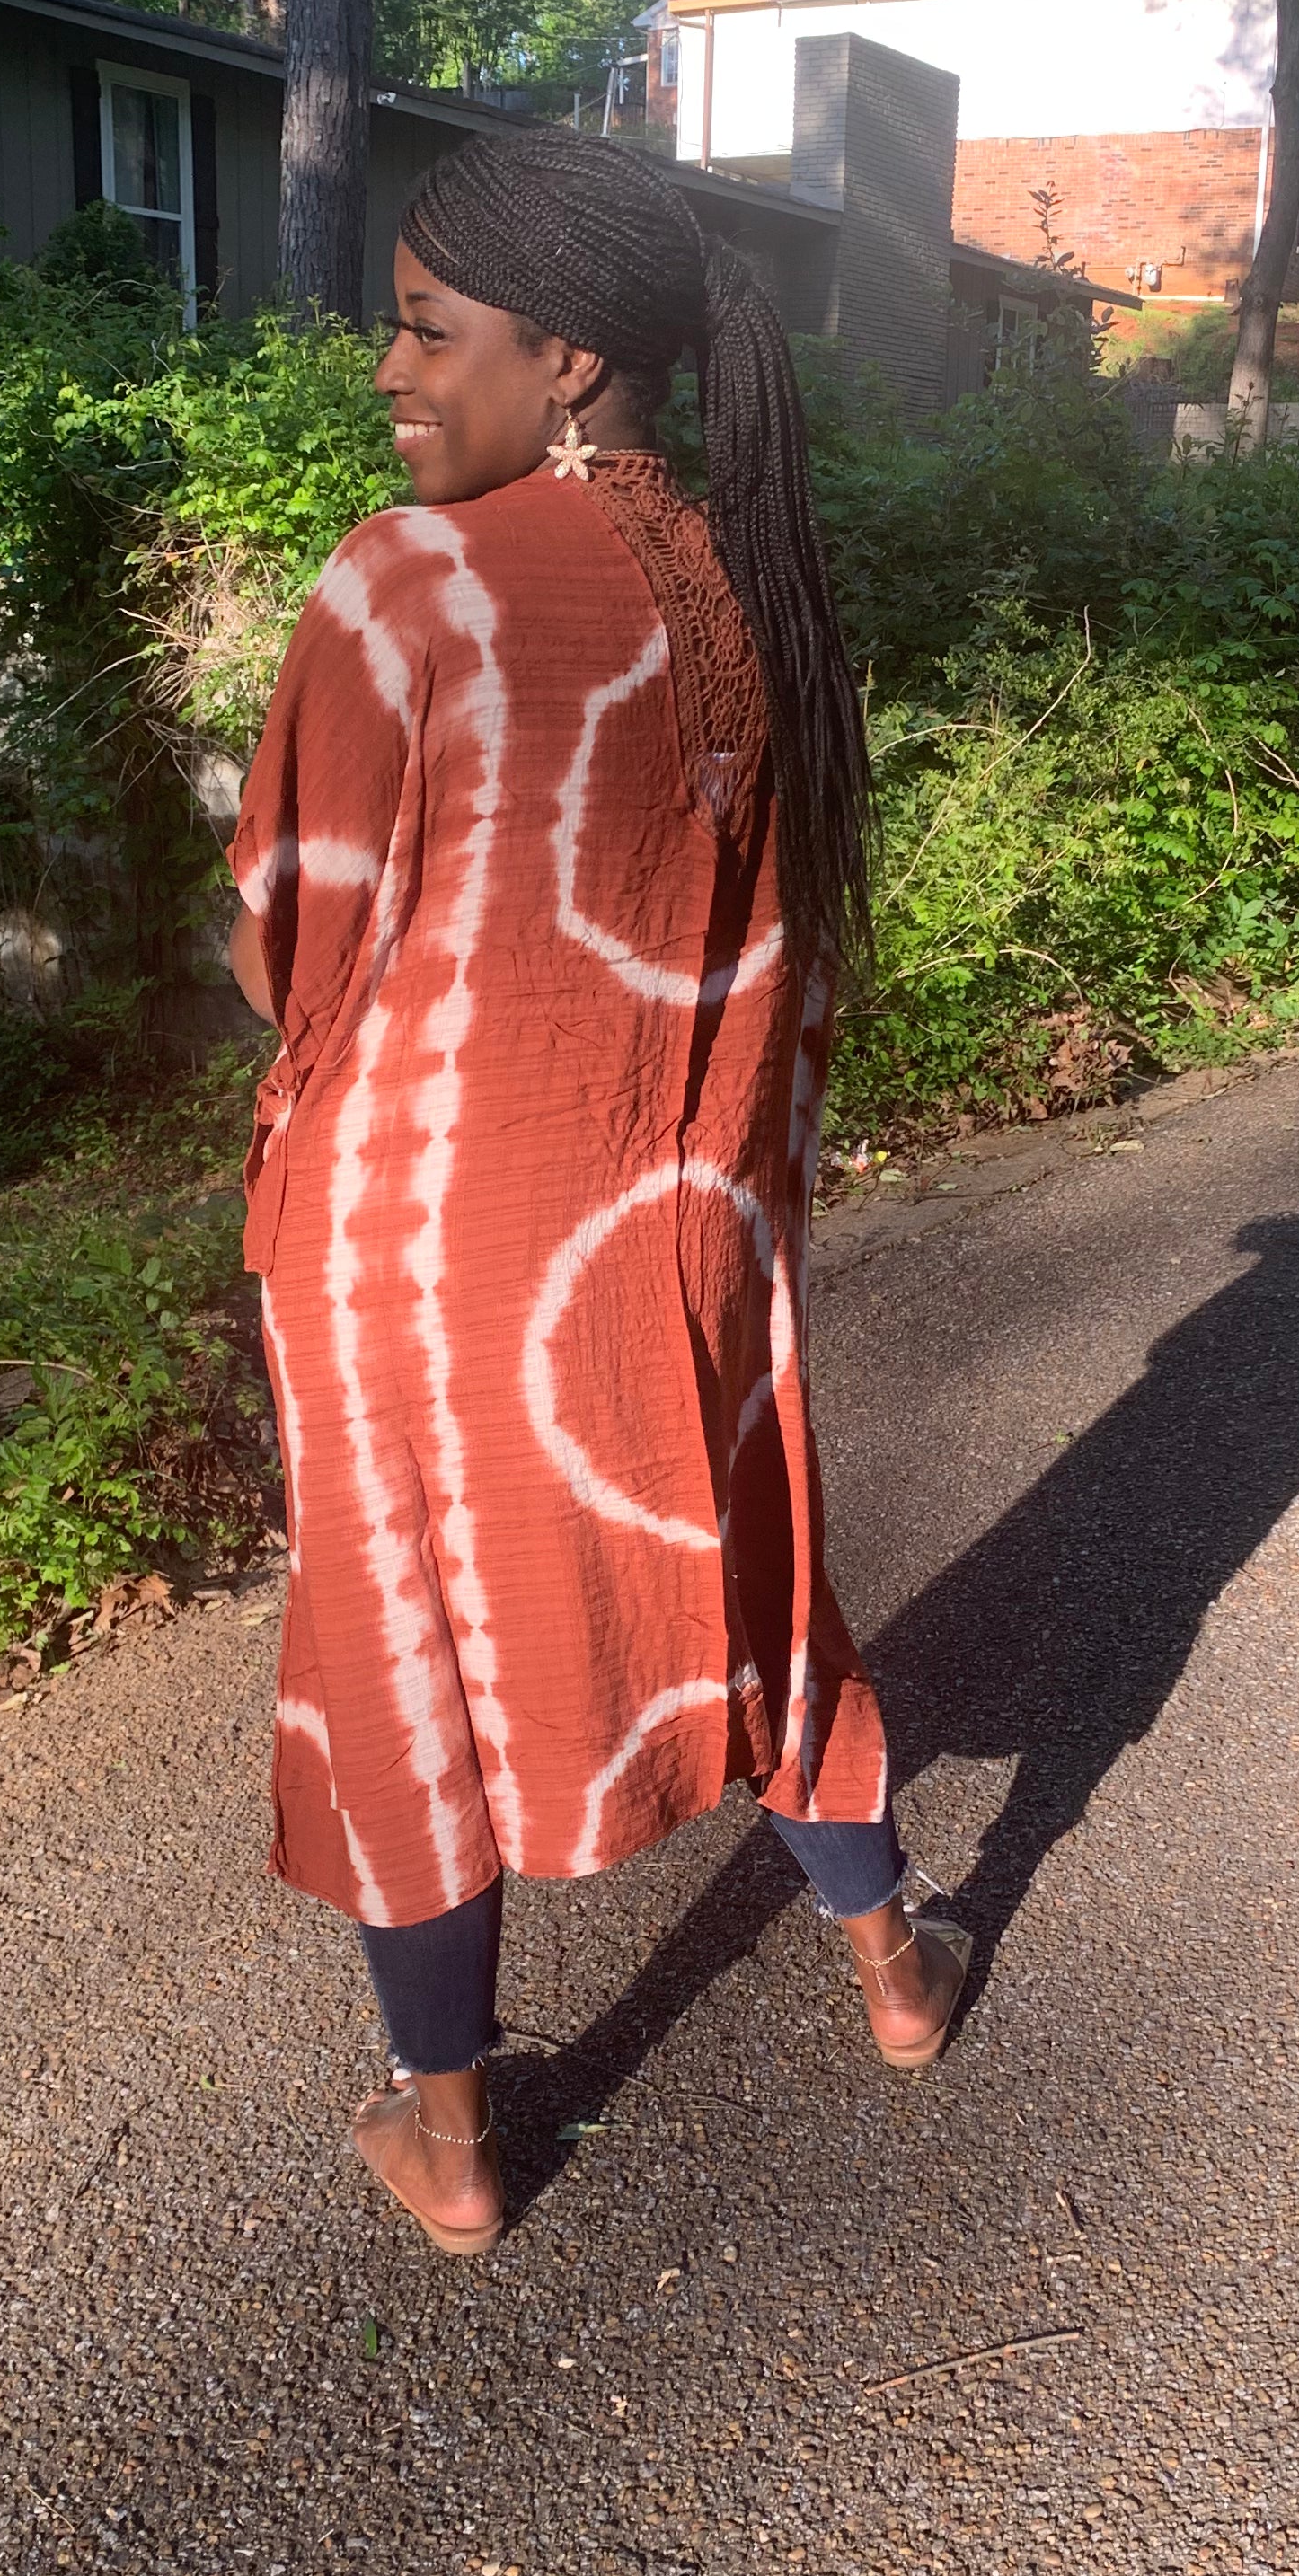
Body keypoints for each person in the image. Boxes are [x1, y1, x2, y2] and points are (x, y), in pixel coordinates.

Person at [224, 127, 965, 2260]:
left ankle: (452, 2141)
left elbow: (292, 937)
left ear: (563, 362)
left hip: (429, 1243)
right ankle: (894, 1965)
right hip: (685, 1229)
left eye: (427, 328)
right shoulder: (758, 580)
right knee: (758, 1576)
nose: (388, 368)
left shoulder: (410, 581)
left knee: (410, 1651)